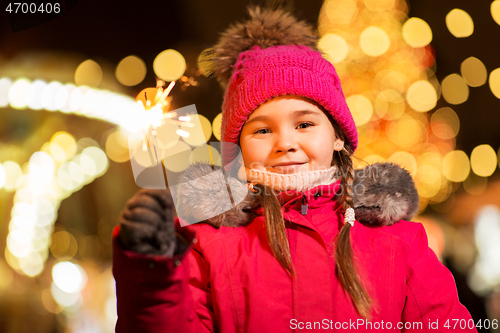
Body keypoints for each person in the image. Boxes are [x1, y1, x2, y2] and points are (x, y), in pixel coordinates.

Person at [112, 6, 477, 333]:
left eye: (304, 124)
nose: (285, 143)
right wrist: (150, 273)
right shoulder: (207, 243)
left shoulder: (397, 240)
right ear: (238, 148)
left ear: (337, 137)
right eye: (262, 129)